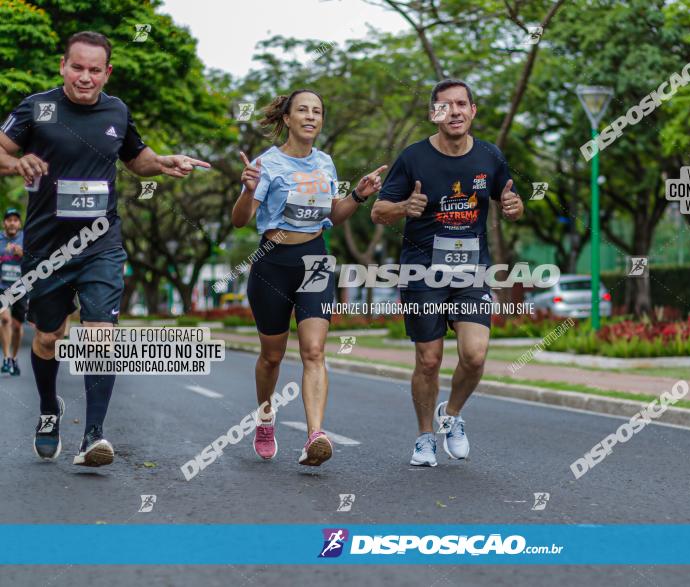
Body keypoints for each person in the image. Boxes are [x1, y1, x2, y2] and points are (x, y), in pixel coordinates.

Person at [0, 31, 210, 466]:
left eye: (95, 70)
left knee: (100, 336)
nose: (85, 77)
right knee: (48, 339)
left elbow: (136, 157)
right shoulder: (37, 107)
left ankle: (93, 435)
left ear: (107, 72)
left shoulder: (117, 110)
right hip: (46, 249)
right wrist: (15, 161)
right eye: (77, 67)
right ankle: (47, 409)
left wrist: (165, 162)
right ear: (63, 66)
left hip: (101, 244)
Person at [372, 79, 524, 467]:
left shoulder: (490, 156)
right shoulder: (413, 158)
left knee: (474, 356)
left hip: (471, 270)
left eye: (461, 104)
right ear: (433, 113)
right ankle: (425, 439)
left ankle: (451, 415)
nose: (454, 112)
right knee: (429, 359)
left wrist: (513, 207)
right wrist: (405, 206)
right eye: (444, 106)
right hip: (422, 270)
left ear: (473, 110)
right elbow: (378, 212)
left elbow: (512, 201)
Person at [232, 89, 386, 466]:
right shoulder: (266, 164)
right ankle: (265, 417)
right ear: (287, 118)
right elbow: (240, 220)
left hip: (314, 258)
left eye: (317, 111)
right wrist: (248, 191)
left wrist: (360, 197)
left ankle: (315, 434)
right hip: (272, 263)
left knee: (314, 351)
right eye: (303, 110)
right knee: (272, 356)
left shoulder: (325, 163)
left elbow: (333, 215)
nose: (311, 116)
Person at [0, 208, 26, 375]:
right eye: (9, 220)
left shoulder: (26, 239)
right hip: (2, 288)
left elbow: (35, 259)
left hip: (22, 288)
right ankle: (6, 358)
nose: (12, 223)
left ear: (19, 224)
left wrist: (22, 253)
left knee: (17, 326)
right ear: (4, 223)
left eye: (15, 220)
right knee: (4, 319)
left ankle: (14, 359)